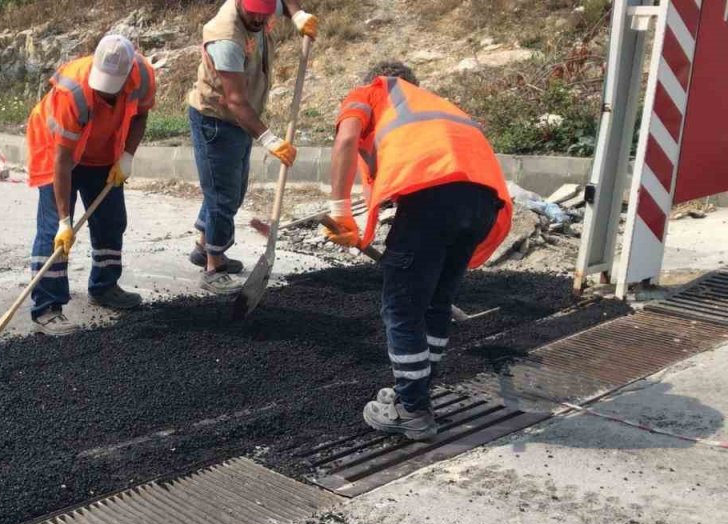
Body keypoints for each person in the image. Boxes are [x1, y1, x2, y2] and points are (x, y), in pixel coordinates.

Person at [323, 61, 513, 439]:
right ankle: (419, 393)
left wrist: (339, 213)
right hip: (481, 202)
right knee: (435, 305)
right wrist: (366, 233)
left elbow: (345, 141)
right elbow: (385, 182)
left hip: (434, 199)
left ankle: (411, 409)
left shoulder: (372, 92)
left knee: (403, 309)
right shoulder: (436, 107)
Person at [24, 34, 157, 335]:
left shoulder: (144, 76)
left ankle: (105, 286)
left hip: (104, 150)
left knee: (112, 220)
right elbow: (62, 160)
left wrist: (127, 156)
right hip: (57, 149)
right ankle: (47, 307)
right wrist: (63, 221)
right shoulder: (73, 92)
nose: (106, 93)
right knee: (53, 234)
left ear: (127, 75)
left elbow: (141, 116)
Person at [186, 0, 318, 295]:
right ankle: (214, 266)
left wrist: (298, 16)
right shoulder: (226, 39)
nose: (260, 18)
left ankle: (203, 246)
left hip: (238, 118)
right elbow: (234, 101)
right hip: (217, 120)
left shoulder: (264, 7)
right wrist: (269, 138)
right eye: (255, 12)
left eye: (266, 12)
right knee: (223, 197)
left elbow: (284, 3)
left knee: (229, 189)